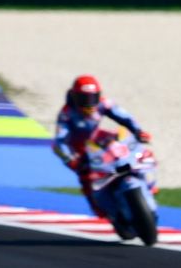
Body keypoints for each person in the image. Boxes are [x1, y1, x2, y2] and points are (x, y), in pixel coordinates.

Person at [53, 75, 152, 219]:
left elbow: (125, 117)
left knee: (132, 150)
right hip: (79, 149)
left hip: (97, 138)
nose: (89, 104)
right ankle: (102, 208)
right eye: (84, 99)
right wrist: (71, 159)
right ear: (74, 97)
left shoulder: (104, 104)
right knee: (87, 177)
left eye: (93, 98)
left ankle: (147, 181)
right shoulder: (66, 114)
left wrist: (138, 131)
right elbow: (59, 142)